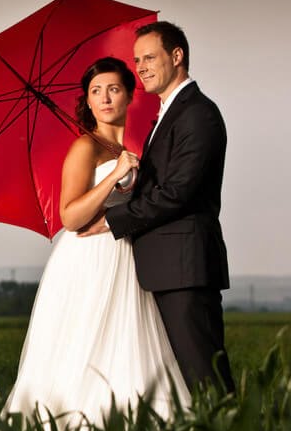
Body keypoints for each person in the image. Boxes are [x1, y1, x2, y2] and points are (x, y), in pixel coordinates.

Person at [0, 57, 190, 431]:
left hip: (126, 257)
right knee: (82, 342)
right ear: (86, 101)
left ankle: (135, 430)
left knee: (126, 343)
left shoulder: (132, 147)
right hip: (87, 257)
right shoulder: (84, 148)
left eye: (114, 89)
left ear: (130, 96)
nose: (105, 98)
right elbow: (70, 217)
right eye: (95, 91)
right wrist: (114, 177)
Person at [85, 22, 235, 394]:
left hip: (185, 268)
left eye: (150, 57)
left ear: (177, 56)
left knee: (206, 378)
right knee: (186, 384)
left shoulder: (198, 113)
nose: (142, 67)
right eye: (137, 60)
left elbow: (178, 192)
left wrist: (112, 218)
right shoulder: (167, 113)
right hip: (164, 268)